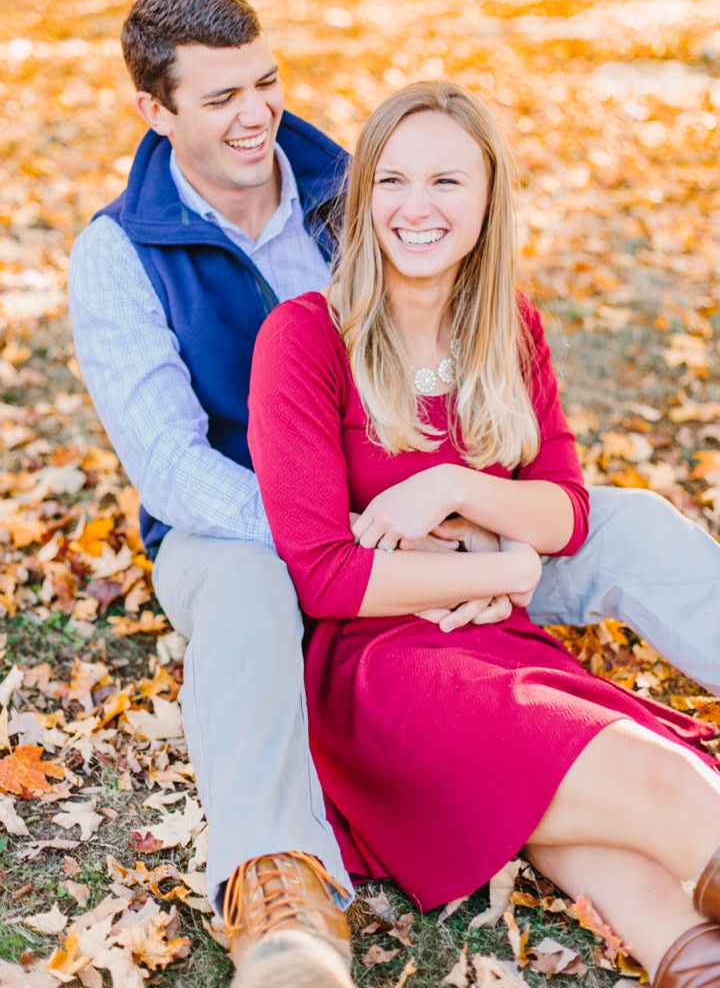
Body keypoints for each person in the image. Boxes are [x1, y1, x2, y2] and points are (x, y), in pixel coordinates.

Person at [67, 0, 720, 988]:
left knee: (623, 522)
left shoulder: (353, 179)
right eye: (219, 98)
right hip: (254, 524)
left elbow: (488, 388)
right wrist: (359, 528)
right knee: (249, 581)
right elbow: (174, 468)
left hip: (421, 508)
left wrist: (464, 519)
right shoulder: (118, 253)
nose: (256, 117)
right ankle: (278, 882)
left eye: (265, 84)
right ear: (153, 110)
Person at [248, 81, 720, 988]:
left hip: (500, 635)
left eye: (446, 182)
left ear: (488, 200)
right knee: (664, 788)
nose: (414, 208)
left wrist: (453, 486)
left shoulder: (508, 329)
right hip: (381, 670)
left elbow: (567, 511)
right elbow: (324, 575)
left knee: (622, 855)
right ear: (363, 197)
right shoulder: (306, 338)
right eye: (391, 180)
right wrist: (504, 561)